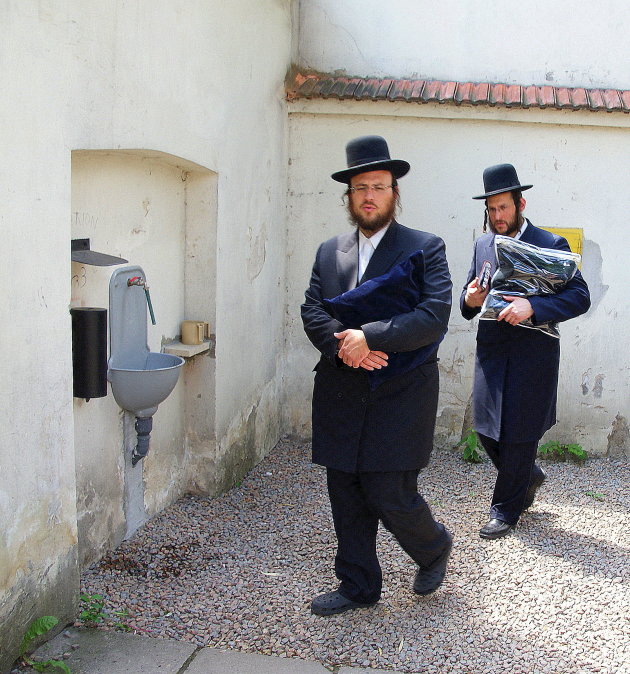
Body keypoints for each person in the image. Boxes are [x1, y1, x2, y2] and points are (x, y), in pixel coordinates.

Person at [301, 135, 453, 616]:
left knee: (390, 491)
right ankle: (358, 586)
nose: (369, 195)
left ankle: (432, 548)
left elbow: (434, 315)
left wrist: (369, 336)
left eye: (380, 186)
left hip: (400, 391)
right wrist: (344, 346)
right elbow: (311, 309)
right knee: (345, 492)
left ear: (394, 192)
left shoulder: (425, 247)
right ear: (348, 195)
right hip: (341, 388)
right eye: (361, 186)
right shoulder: (330, 252)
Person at [461, 163, 590, 540]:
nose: (496, 216)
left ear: (520, 203)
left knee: (519, 433)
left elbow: (580, 296)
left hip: (533, 352)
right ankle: (528, 476)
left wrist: (533, 306)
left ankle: (505, 510)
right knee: (486, 430)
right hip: (492, 350)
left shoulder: (551, 244)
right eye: (491, 209)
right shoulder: (483, 244)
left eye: (503, 208)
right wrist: (470, 299)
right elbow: (470, 302)